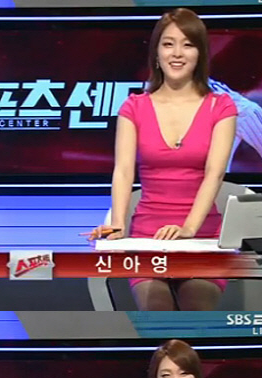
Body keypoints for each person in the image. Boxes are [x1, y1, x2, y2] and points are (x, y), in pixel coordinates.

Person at [90, 8, 237, 311]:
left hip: (202, 235)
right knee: (156, 307)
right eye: (168, 44)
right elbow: (123, 171)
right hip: (148, 235)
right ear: (156, 53)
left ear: (200, 53)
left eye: (188, 44)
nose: (177, 53)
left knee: (197, 306)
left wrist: (189, 229)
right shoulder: (134, 106)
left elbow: (215, 173)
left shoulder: (221, 106)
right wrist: (117, 225)